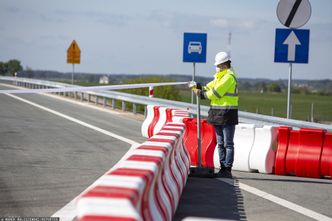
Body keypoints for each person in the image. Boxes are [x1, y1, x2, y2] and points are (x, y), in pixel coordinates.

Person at [193, 51, 238, 177]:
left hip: (228, 113)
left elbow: (216, 93)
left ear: (224, 65)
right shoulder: (219, 76)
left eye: (218, 65)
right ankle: (222, 167)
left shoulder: (229, 77)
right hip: (218, 113)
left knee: (228, 143)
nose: (217, 67)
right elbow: (210, 87)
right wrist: (200, 87)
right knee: (220, 142)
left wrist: (201, 94)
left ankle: (227, 169)